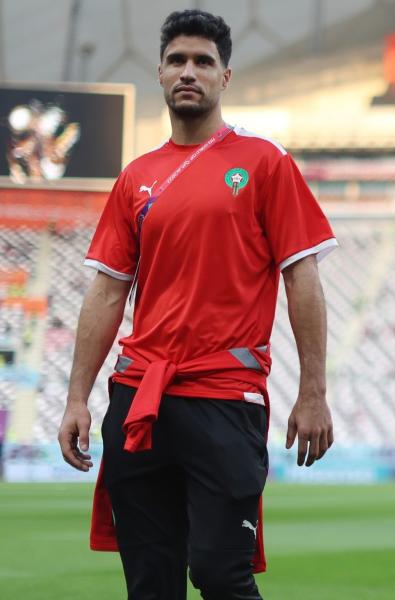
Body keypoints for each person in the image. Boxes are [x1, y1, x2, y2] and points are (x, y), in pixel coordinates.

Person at [56, 10, 337, 599]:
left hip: (224, 399)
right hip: (139, 398)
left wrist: (313, 391)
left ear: (225, 77)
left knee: (219, 573)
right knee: (150, 584)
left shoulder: (265, 162)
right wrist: (77, 396)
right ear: (159, 73)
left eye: (203, 62)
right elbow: (108, 291)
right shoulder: (136, 176)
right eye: (177, 61)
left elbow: (302, 277)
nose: (189, 72)